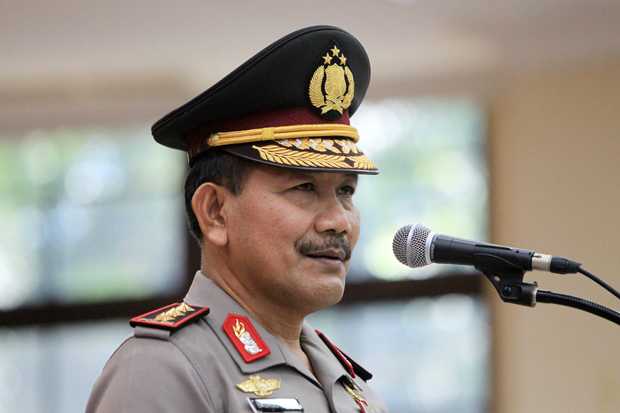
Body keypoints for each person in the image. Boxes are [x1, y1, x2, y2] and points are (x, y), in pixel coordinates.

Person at [86, 25, 388, 413]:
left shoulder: (350, 386)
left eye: (346, 191)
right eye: (304, 188)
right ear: (215, 212)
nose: (338, 221)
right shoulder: (161, 369)